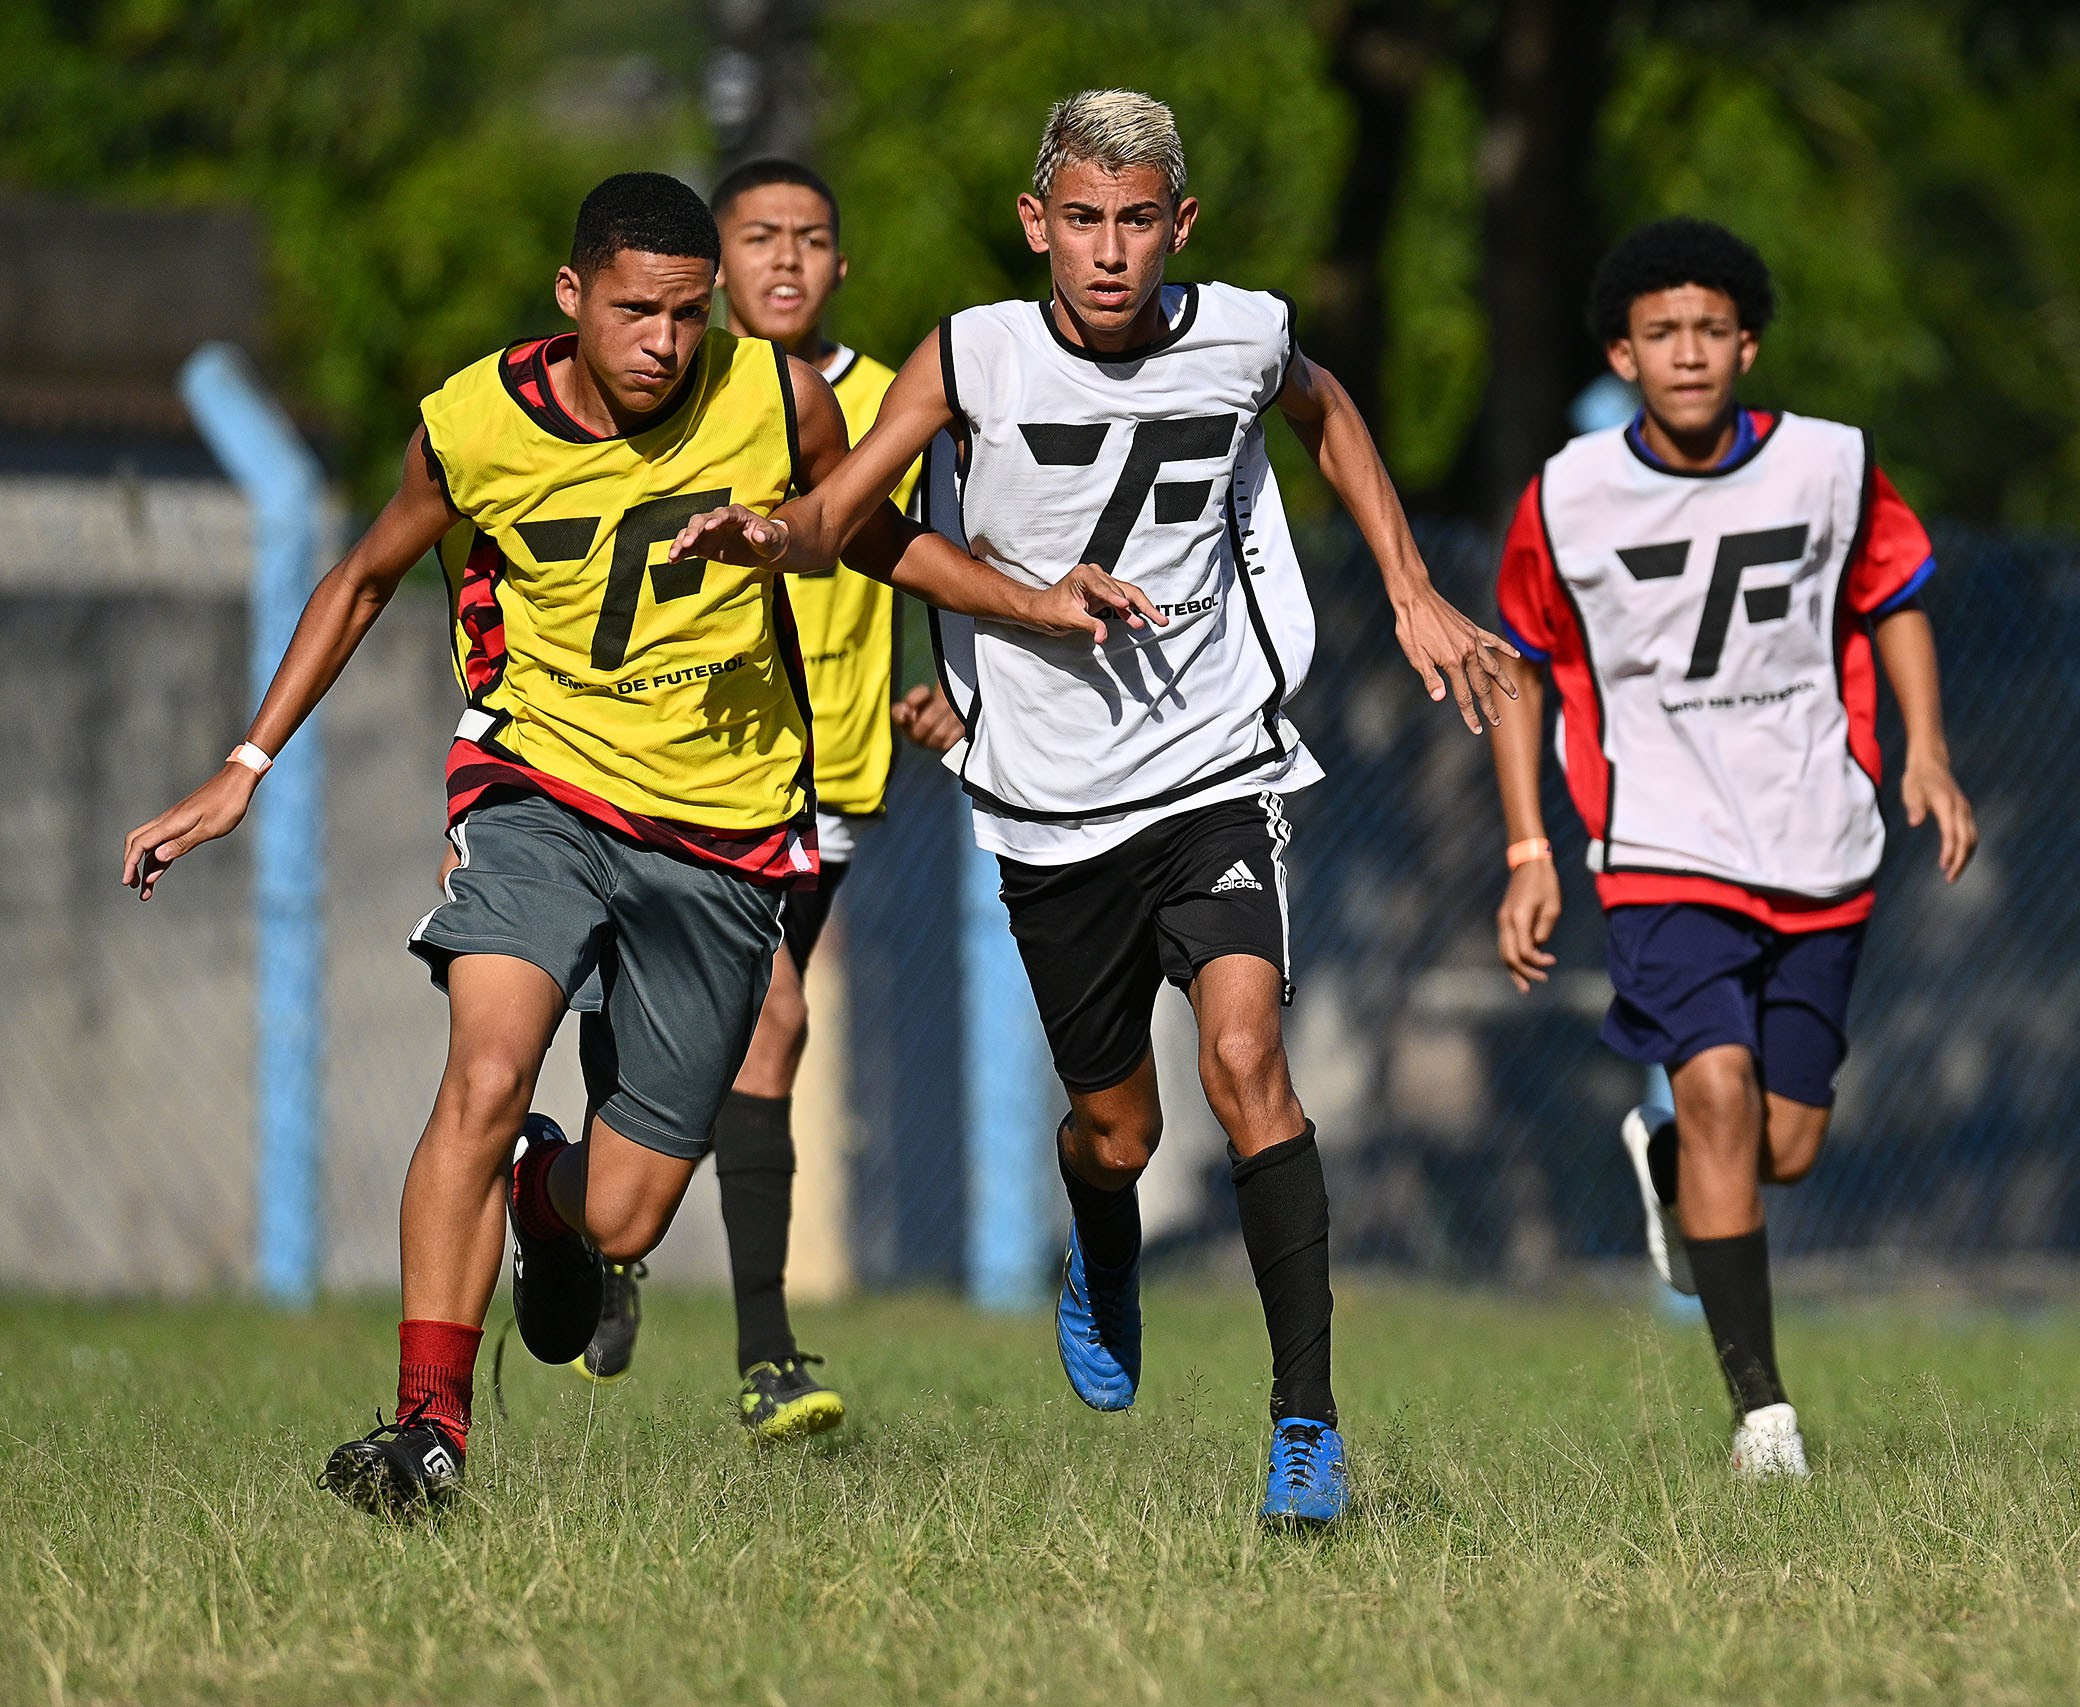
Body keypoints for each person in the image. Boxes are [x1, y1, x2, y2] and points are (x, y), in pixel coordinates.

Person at [121, 171, 1159, 1517]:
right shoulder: (473, 420)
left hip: (724, 838)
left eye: (685, 311)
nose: (663, 341)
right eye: (632, 310)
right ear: (573, 298)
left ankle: (544, 1209)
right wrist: (243, 764)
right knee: (483, 1065)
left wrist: (1031, 603)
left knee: (624, 1215)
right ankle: (429, 1429)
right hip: (536, 787)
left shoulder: (777, 395)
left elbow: (869, 534)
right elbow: (367, 570)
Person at [668, 90, 1516, 1524]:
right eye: (1083, 220)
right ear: (1035, 224)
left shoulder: (1243, 330)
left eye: (1137, 221)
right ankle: (1101, 1234)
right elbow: (843, 519)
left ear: (1177, 224)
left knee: (1248, 1059)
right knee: (1116, 1128)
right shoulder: (974, 353)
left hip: (1213, 763)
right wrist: (777, 533)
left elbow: (1326, 408)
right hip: (1052, 802)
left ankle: (1304, 1425)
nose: (1110, 251)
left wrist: (1414, 585)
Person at [1487, 218, 1976, 1478]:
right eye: (1662, 334)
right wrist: (1529, 847)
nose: (1689, 353)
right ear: (1622, 353)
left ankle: (1666, 1164)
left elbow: (1895, 593)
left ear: (1747, 344)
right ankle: (1763, 1415)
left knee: (1784, 1146)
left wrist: (1924, 751)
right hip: (1655, 841)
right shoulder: (1569, 495)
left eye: (1711, 330)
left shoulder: (1828, 467)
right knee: (1710, 1090)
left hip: (1817, 836)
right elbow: (1518, 670)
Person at [561, 157, 962, 1443]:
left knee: (733, 1026)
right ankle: (763, 1346)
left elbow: (924, 545)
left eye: (811, 239)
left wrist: (945, 681)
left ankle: (606, 1237)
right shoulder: (682, 392)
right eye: (758, 239)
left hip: (835, 774)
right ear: (714, 267)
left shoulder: (881, 403)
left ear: (842, 264)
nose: (785, 262)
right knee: (765, 1021)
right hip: (689, 773)